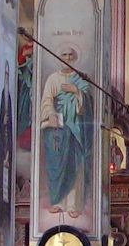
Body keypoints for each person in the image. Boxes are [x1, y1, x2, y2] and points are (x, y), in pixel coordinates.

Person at [39, 45, 94, 218]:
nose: (68, 57)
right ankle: (58, 201)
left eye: (71, 55)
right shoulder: (53, 79)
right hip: (58, 129)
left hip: (76, 129)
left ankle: (73, 204)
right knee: (57, 164)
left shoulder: (81, 79)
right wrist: (50, 114)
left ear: (76, 57)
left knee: (75, 163)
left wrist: (77, 91)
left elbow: (88, 104)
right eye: (64, 54)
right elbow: (47, 100)